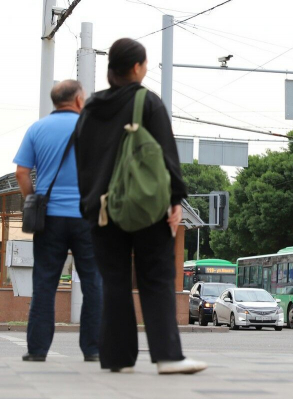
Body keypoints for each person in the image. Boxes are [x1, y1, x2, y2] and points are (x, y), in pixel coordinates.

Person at [74, 38, 206, 374]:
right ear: (136, 68)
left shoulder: (89, 109)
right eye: (145, 65)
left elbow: (82, 159)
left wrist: (89, 203)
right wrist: (176, 200)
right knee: (156, 278)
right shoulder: (147, 103)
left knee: (114, 282)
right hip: (147, 208)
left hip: (100, 210)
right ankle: (167, 356)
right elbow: (166, 155)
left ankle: (116, 358)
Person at [13, 80, 102, 362]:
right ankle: (93, 349)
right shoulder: (94, 129)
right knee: (93, 283)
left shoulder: (37, 129)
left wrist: (34, 199)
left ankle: (37, 350)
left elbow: (21, 173)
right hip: (86, 217)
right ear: (78, 100)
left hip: (49, 218)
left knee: (45, 282)